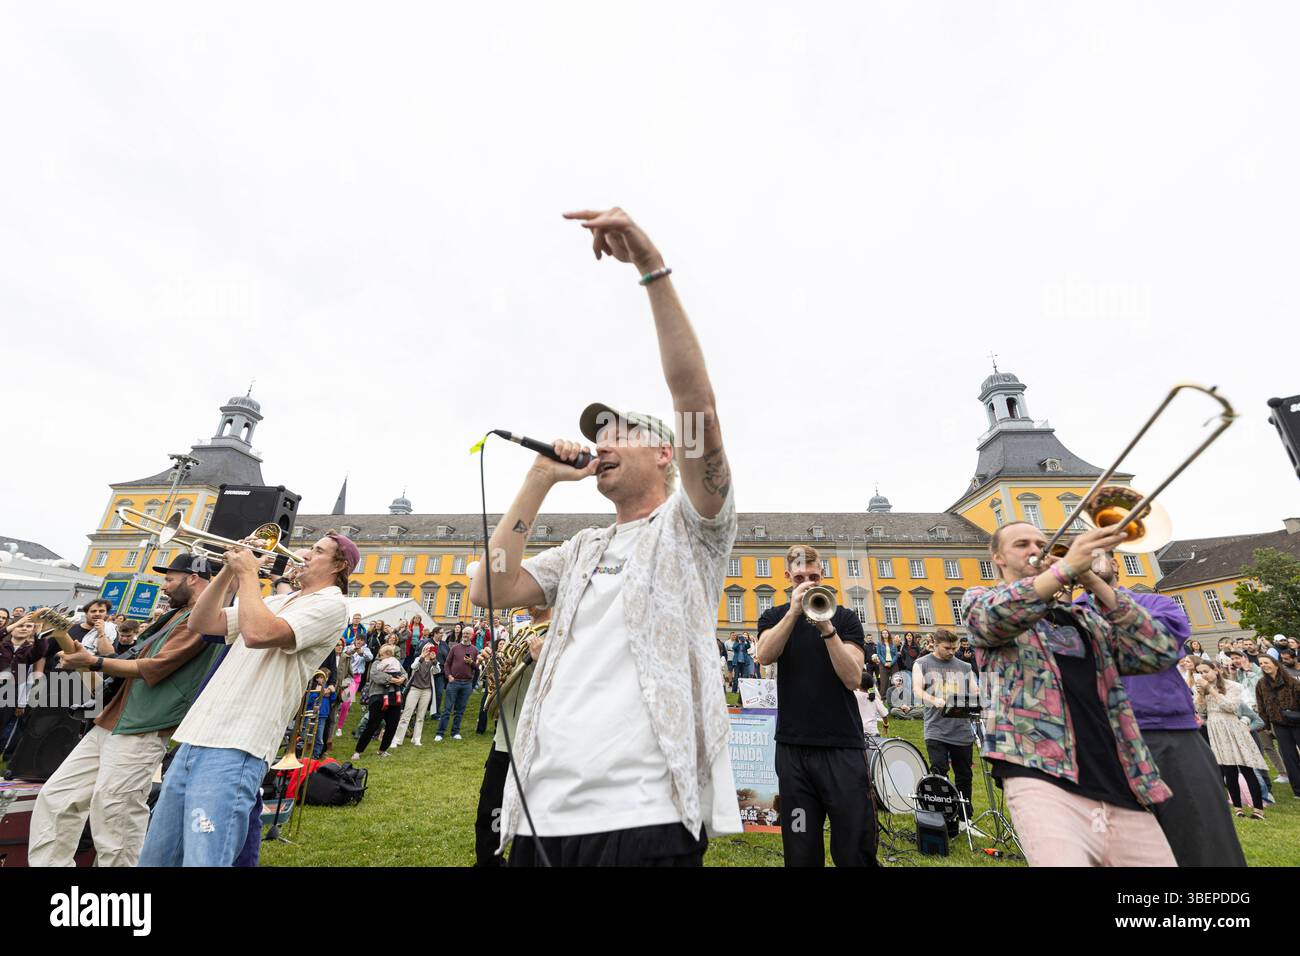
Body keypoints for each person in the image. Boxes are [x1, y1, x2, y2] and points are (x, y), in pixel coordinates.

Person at [472, 206, 741, 867]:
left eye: (623, 432)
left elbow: (696, 406)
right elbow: (489, 587)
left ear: (666, 456)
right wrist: (537, 479)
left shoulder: (692, 529)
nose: (604, 444)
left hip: (645, 811)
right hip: (542, 807)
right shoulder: (584, 548)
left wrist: (652, 269)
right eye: (600, 436)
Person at [963, 522, 1179, 867]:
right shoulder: (979, 599)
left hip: (1119, 780)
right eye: (1022, 544)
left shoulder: (1085, 619)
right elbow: (997, 618)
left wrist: (1093, 581)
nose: (1035, 549)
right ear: (998, 558)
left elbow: (1159, 651)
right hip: (1040, 774)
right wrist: (1065, 570)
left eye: (1041, 543)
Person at [138, 532, 353, 866]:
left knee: (204, 858)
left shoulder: (332, 604)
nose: (305, 554)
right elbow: (202, 621)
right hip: (197, 735)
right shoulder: (279, 601)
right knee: (157, 856)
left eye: (317, 550)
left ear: (339, 565)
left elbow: (259, 634)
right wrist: (227, 569)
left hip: (239, 742)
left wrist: (249, 574)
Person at [28, 555, 225, 866]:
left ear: (193, 578)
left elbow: (154, 667)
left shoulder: (201, 617)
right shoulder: (173, 616)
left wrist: (93, 662)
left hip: (144, 724)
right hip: (112, 719)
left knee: (115, 813)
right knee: (58, 797)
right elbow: (129, 659)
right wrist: (85, 655)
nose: (164, 586)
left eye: (170, 579)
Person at [1076, 552, 1246, 866]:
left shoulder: (1155, 603)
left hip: (1170, 734)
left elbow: (1167, 639)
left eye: (1095, 552)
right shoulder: (1068, 614)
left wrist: (1094, 585)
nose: (1085, 556)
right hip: (1100, 739)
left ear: (1116, 564)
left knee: (1202, 840)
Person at [755, 544, 872, 867]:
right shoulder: (774, 616)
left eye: (814, 576)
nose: (808, 582)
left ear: (824, 575)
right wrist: (794, 612)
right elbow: (764, 655)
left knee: (854, 846)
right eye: (800, 577)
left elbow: (852, 678)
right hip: (794, 752)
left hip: (841, 747)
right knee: (800, 846)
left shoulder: (846, 619)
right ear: (788, 577)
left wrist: (827, 629)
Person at [474, 606, 551, 866]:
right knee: (488, 812)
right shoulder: (520, 630)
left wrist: (545, 660)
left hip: (537, 742)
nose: (533, 601)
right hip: (504, 739)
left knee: (530, 818)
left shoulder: (562, 630)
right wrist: (492, 662)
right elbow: (500, 680)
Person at [907, 628, 977, 823]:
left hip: (961, 730)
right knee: (939, 773)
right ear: (936, 644)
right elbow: (917, 690)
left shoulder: (964, 666)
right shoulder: (922, 663)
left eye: (954, 648)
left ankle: (964, 818)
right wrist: (934, 699)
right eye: (947, 648)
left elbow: (975, 691)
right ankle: (942, 816)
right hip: (936, 729)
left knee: (964, 775)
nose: (952, 651)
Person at [1193, 661, 1267, 819]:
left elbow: (1231, 707)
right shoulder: (1200, 689)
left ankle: (1258, 809)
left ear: (1216, 671)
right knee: (1229, 771)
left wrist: (1211, 690)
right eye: (1200, 672)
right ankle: (1237, 808)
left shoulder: (1232, 686)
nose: (1203, 675)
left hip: (1232, 727)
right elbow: (1201, 713)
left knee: (1246, 768)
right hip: (1215, 728)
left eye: (1206, 671)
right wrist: (1200, 694)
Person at [1254, 655, 1300, 797]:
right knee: (1288, 756)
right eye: (1261, 663)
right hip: (1279, 724)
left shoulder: (1291, 682)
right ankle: (1298, 789)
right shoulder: (1261, 684)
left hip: (1297, 722)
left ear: (1275, 664)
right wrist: (1265, 726)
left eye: (1266, 662)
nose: (1263, 665)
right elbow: (1261, 707)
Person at [351, 644, 406, 758]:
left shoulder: (395, 662)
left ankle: (382, 750)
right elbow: (376, 676)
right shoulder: (376, 663)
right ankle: (358, 751)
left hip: (394, 697)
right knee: (372, 724)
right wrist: (393, 680)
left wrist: (402, 679)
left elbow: (404, 673)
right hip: (378, 697)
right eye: (384, 654)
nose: (386, 656)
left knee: (392, 725)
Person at [435, 627, 478, 740]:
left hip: (467, 683)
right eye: (464, 633)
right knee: (447, 709)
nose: (465, 635)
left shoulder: (474, 650)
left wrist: (471, 662)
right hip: (454, 682)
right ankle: (440, 733)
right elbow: (447, 664)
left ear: (472, 635)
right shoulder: (455, 648)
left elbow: (477, 668)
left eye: (467, 633)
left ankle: (455, 732)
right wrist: (448, 676)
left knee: (460, 710)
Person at [392, 642, 438, 747]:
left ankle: (416, 739)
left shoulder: (433, 661)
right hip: (414, 689)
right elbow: (413, 667)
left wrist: (434, 660)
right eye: (427, 649)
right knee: (406, 715)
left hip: (427, 691)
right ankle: (397, 739)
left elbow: (437, 671)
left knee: (421, 716)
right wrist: (422, 657)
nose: (428, 651)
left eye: (430, 649)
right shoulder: (418, 659)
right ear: (423, 649)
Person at [336, 638, 371, 736]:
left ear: (364, 642)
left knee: (346, 703)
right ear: (355, 640)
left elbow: (370, 657)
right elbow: (342, 655)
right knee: (336, 700)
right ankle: (332, 719)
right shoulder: (347, 647)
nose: (359, 642)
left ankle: (339, 727)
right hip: (344, 676)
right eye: (358, 640)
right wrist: (353, 650)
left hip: (354, 678)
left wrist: (361, 653)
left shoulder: (366, 650)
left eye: (362, 640)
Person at [854, 670, 888, 745]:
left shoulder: (854, 696)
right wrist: (886, 726)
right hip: (873, 734)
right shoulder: (874, 698)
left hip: (857, 732)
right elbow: (885, 715)